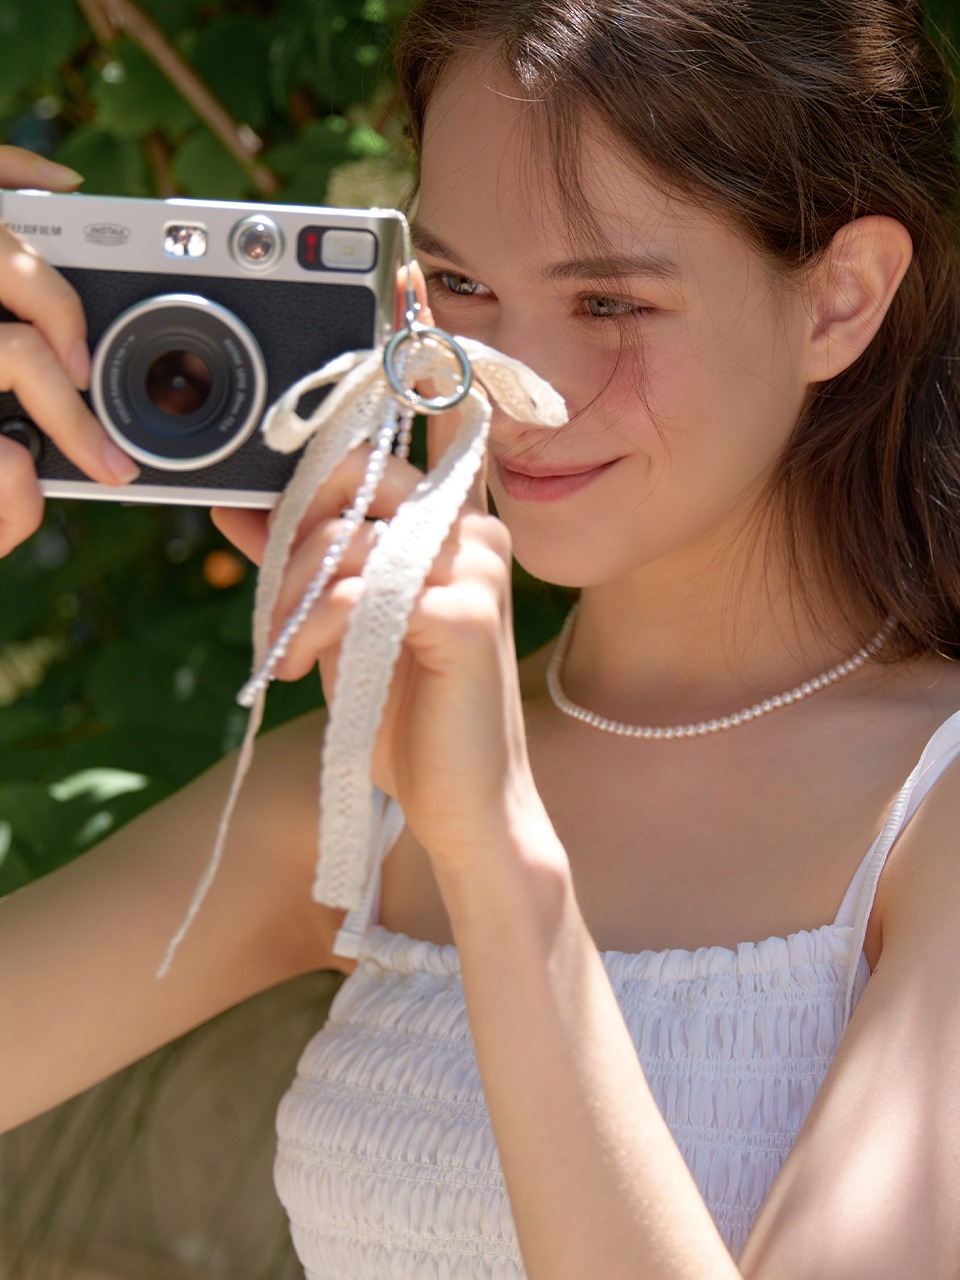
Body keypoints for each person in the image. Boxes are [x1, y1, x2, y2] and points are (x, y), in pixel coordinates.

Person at [2, 0, 960, 1275]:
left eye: (612, 300)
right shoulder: (359, 785)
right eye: (459, 283)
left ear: (841, 298)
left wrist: (501, 862)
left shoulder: (929, 806)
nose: (515, 378)